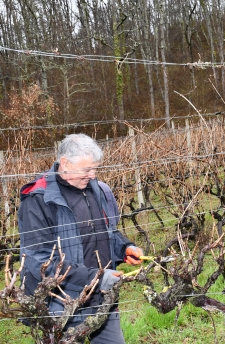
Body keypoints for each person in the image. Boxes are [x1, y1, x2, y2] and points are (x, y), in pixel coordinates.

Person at [18, 133, 144, 343]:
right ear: (65, 163)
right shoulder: (38, 199)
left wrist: (124, 248)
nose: (93, 175)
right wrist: (95, 278)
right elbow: (38, 260)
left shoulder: (99, 190)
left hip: (101, 299)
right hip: (60, 303)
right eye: (87, 169)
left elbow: (107, 232)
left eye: (95, 168)